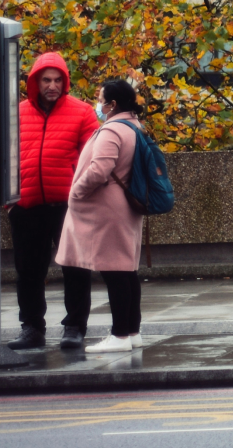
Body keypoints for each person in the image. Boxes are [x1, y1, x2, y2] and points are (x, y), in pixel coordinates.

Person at [6, 53, 97, 351]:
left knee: (75, 268)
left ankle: (74, 326)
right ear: (35, 82)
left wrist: (84, 198)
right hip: (27, 207)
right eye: (46, 80)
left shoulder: (82, 112)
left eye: (58, 80)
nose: (52, 85)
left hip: (70, 207)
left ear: (65, 81)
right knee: (29, 271)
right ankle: (32, 327)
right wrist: (11, 202)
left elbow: (94, 159)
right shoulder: (15, 113)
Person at [55, 79, 147, 353]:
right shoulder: (134, 126)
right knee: (127, 271)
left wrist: (76, 192)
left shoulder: (112, 130)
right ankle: (131, 332)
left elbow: (99, 169)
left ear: (113, 104)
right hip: (124, 208)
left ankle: (119, 335)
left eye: (101, 98)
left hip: (107, 210)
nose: (99, 103)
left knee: (114, 272)